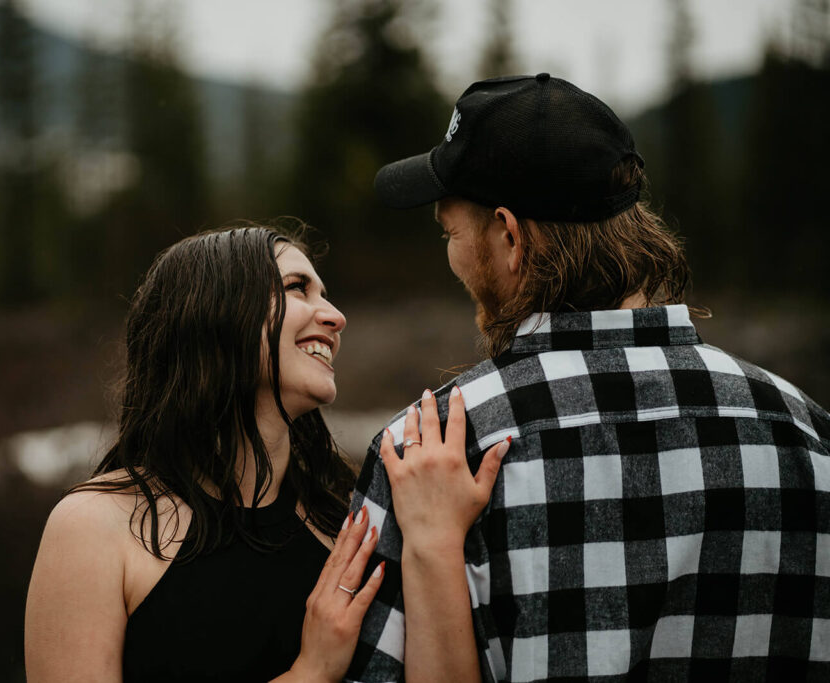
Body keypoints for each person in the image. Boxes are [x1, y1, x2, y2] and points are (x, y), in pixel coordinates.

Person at [347, 74, 830, 682]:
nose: (452, 257)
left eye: (451, 233)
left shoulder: (429, 458)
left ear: (509, 236)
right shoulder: (805, 429)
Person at [24, 225, 508, 682]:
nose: (337, 317)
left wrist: (436, 539)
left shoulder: (347, 523)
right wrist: (310, 672)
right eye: (298, 287)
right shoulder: (95, 528)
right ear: (213, 312)